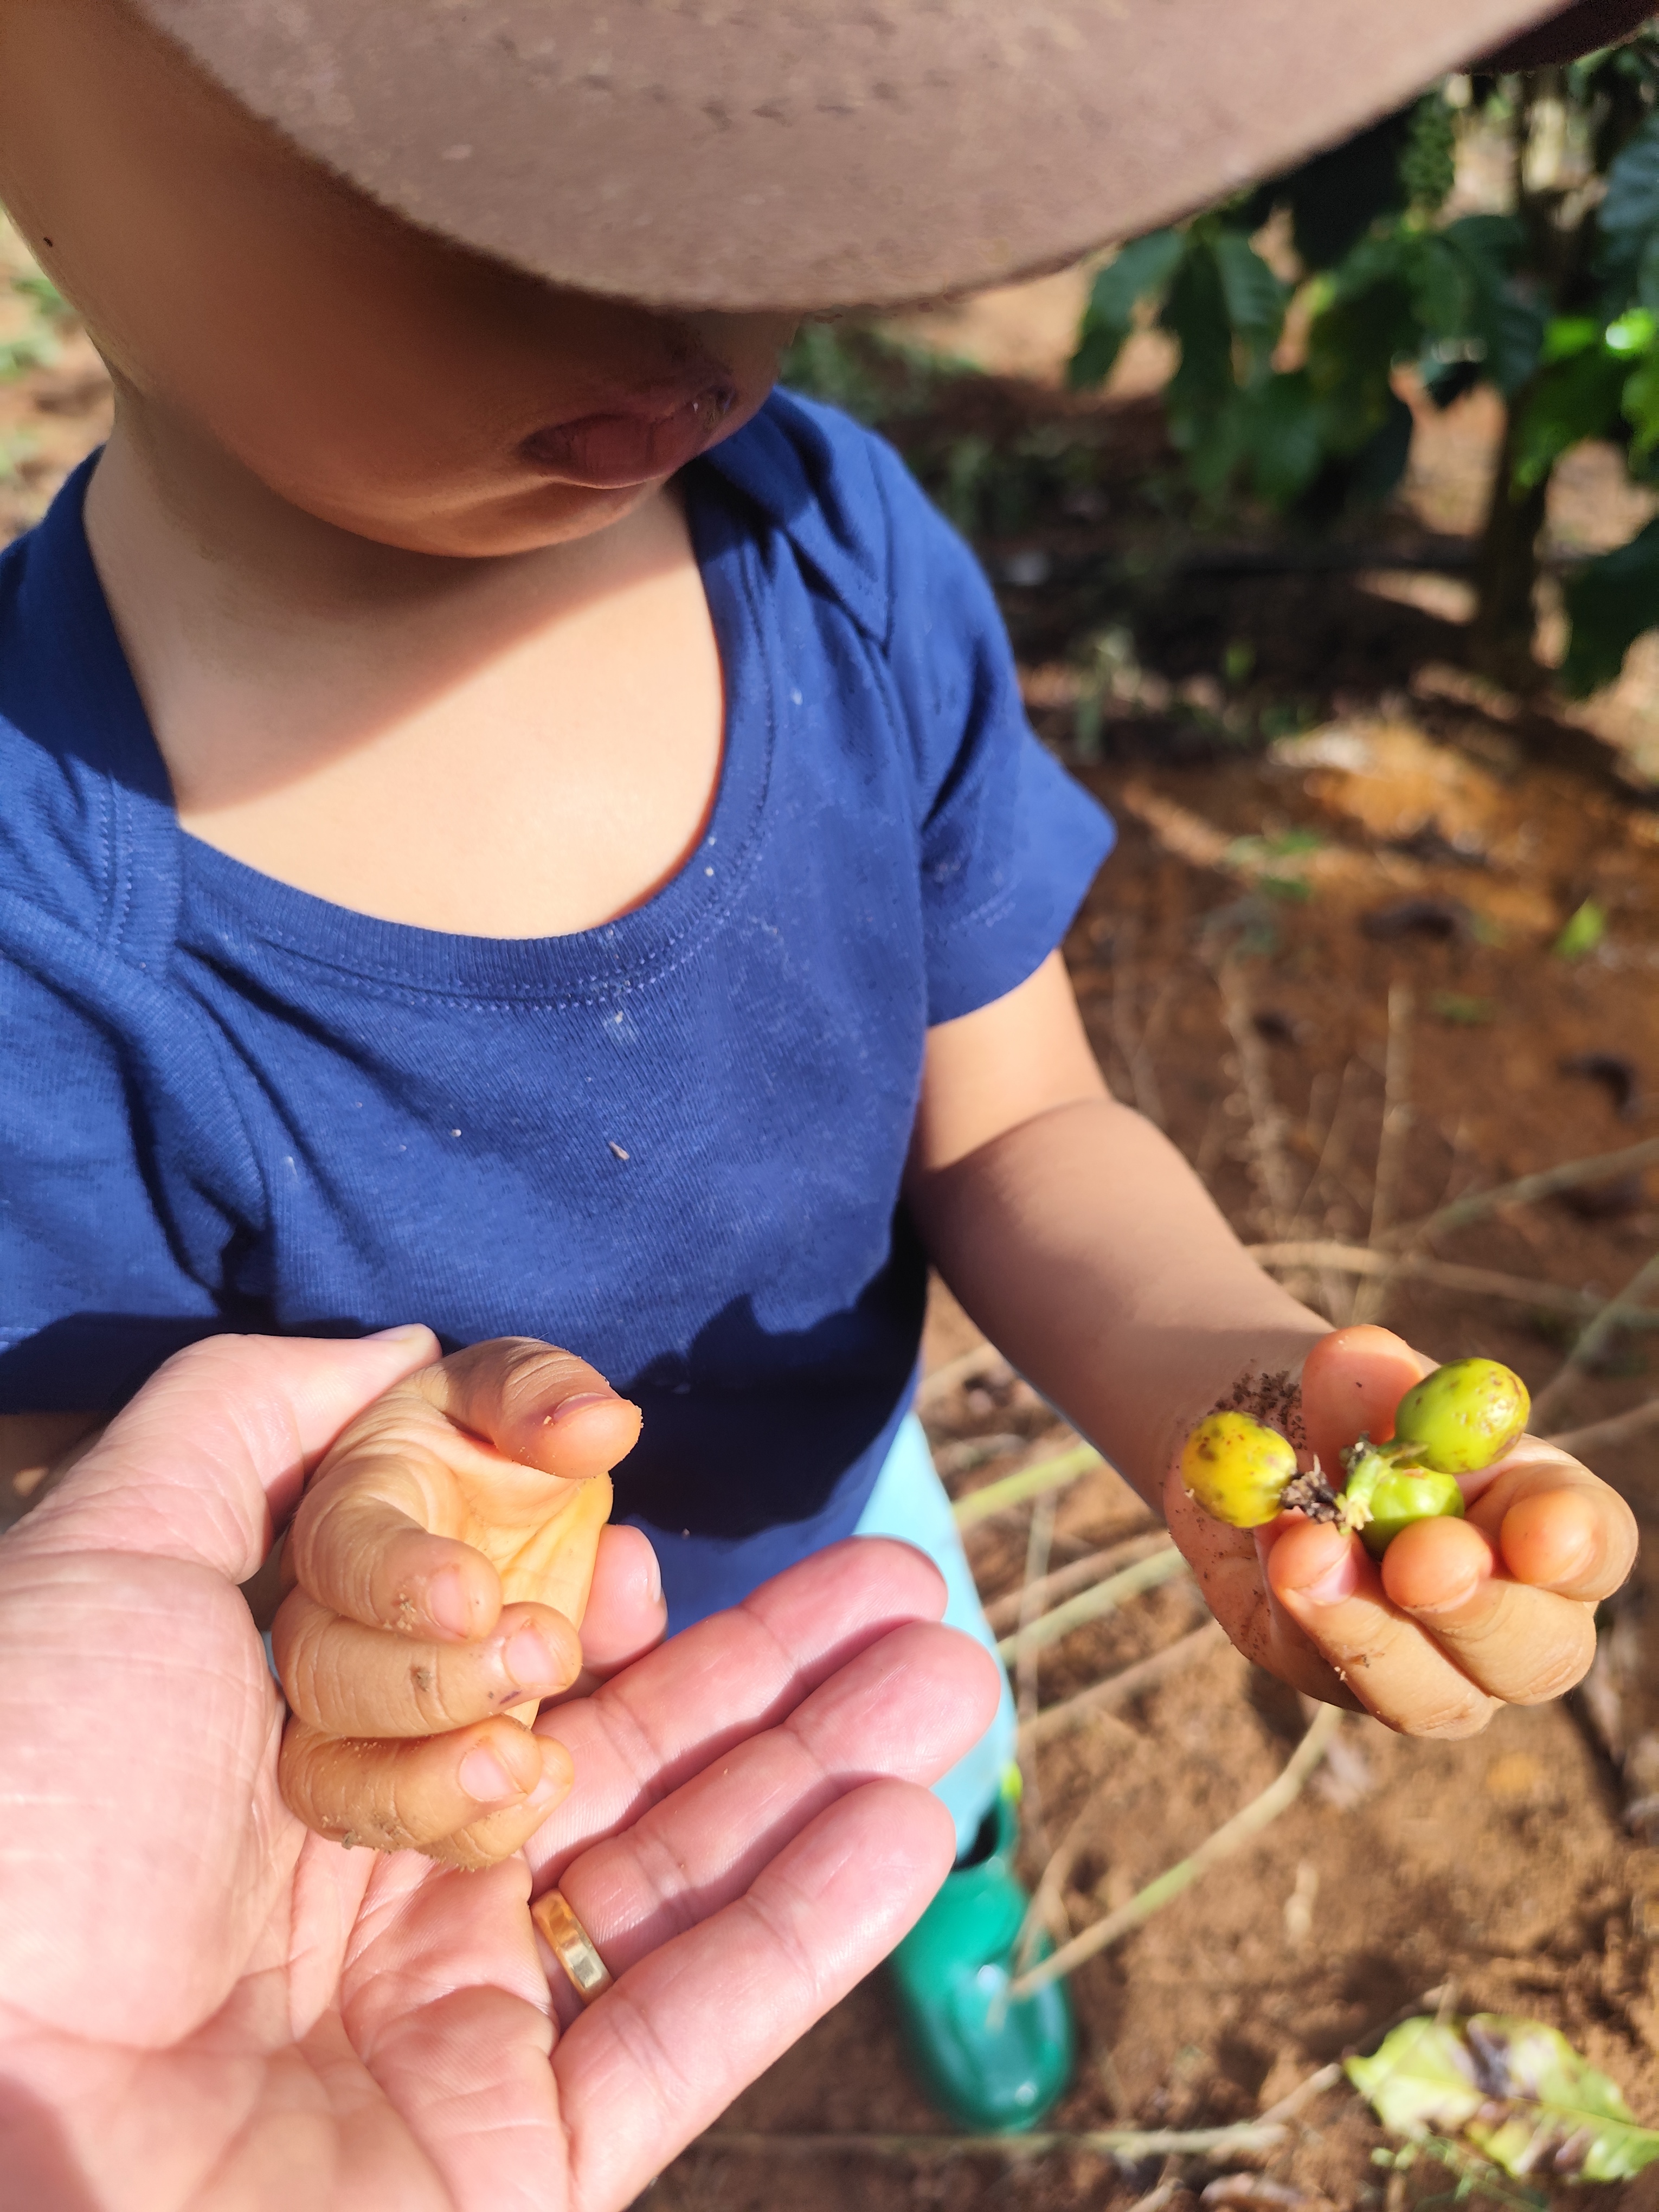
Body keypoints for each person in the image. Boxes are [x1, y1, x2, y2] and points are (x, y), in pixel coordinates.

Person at [0, 0, 1642, 2138]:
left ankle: (949, 1890)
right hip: (420, 1760)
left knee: (912, 1751)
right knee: (511, 2039)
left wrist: (1235, 1399)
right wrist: (333, 1571)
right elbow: (69, 1486)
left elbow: (1025, 1122)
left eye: (772, 174)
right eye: (512, 189)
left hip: (844, 1526)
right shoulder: (43, 909)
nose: (692, 312)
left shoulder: (830, 552)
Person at [0, 1326, 998, 2209]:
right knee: (862, 1735)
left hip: (822, 1461)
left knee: (910, 1718)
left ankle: (969, 1864)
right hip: (473, 1603)